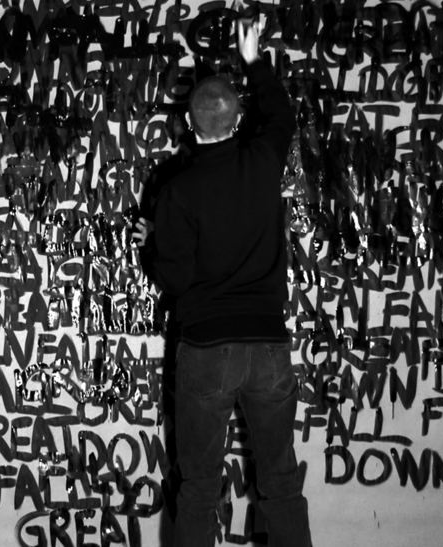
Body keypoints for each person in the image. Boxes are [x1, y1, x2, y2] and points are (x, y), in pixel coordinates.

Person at [133, 22, 312, 547]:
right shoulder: (263, 160)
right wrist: (253, 60)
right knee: (281, 482)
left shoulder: (178, 190)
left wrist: (154, 242)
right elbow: (281, 115)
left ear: (189, 124)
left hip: (207, 346)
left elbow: (174, 278)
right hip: (270, 346)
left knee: (198, 488)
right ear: (237, 121)